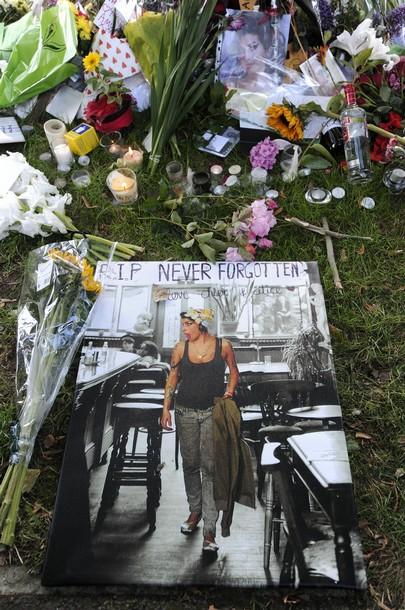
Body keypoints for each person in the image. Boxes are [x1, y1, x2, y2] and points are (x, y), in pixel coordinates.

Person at [160, 308, 239, 553]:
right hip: (184, 411)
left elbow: (233, 371)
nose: (184, 329)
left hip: (212, 412)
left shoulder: (223, 346)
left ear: (200, 324)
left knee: (210, 469)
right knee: (191, 464)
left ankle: (209, 531)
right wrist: (166, 409)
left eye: (188, 324)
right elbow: (172, 378)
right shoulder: (180, 348)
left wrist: (230, 390)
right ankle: (195, 511)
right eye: (183, 325)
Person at [220, 13, 287, 92]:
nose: (247, 57)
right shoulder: (229, 84)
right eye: (241, 49)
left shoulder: (278, 88)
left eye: (253, 47)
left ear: (267, 48)